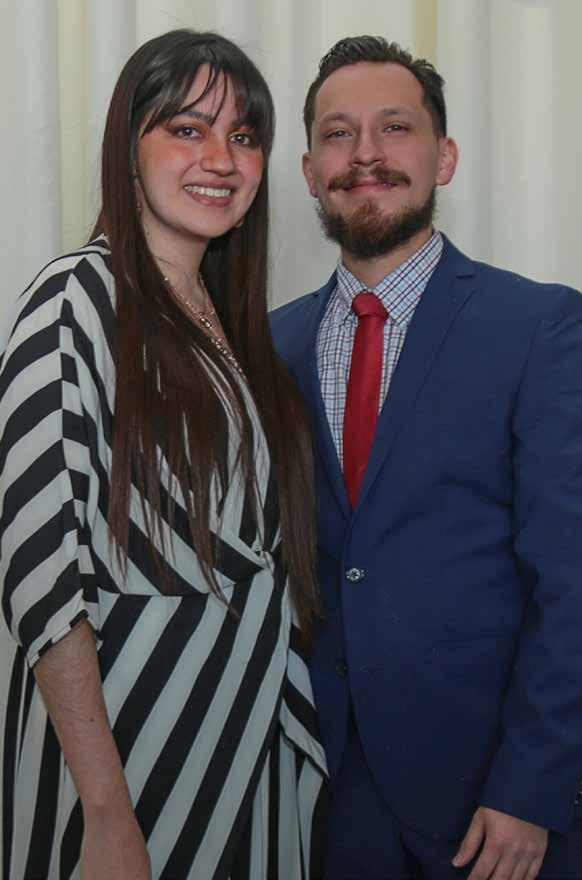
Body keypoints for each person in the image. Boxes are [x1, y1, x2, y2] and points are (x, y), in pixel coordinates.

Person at [0, 29, 328, 880]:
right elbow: (41, 572)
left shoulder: (238, 334)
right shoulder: (76, 297)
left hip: (243, 741)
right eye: (187, 128)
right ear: (128, 147)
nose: (221, 158)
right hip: (126, 756)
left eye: (244, 135)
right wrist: (106, 811)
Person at [271, 35, 582, 880]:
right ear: (309, 171)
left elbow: (571, 576)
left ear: (443, 157)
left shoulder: (539, 328)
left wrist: (534, 787)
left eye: (395, 127)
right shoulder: (268, 345)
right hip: (324, 800)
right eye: (338, 134)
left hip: (494, 810)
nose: (365, 154)